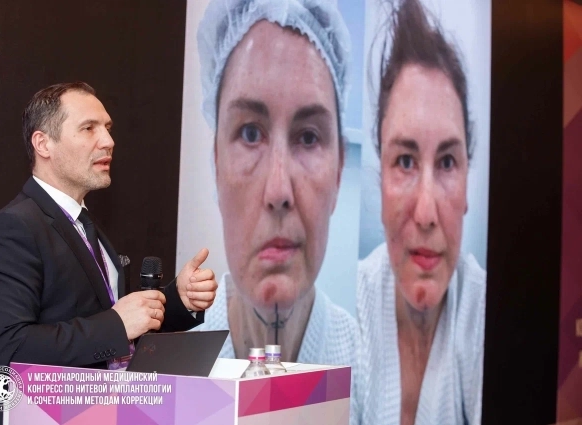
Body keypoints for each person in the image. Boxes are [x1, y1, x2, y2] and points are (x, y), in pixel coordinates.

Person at [0, 82, 218, 425]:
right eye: (89, 128)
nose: (108, 141)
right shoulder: (12, 229)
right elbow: (10, 349)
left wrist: (180, 301)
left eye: (108, 128)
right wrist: (116, 324)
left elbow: (105, 316)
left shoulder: (85, 225)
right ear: (43, 144)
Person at [194, 0, 359, 375]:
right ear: (217, 164)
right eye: (250, 133)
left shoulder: (370, 372)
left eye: (309, 137)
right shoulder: (170, 366)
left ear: (338, 173)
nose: (279, 191)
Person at [355, 1, 486, 424]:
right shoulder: (350, 308)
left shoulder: (485, 313)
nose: (427, 213)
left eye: (447, 162)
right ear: (380, 183)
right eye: (405, 161)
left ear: (466, 187)